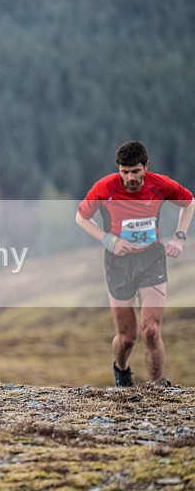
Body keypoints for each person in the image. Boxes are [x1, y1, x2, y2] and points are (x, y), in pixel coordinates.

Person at [76, 140, 194, 387]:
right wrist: (109, 240)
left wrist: (180, 237)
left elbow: (189, 202)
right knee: (127, 337)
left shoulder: (160, 185)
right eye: (124, 172)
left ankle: (157, 388)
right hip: (118, 263)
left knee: (150, 330)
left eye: (135, 171)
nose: (130, 177)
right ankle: (121, 369)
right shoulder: (105, 188)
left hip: (151, 259)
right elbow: (81, 218)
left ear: (145, 166)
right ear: (119, 169)